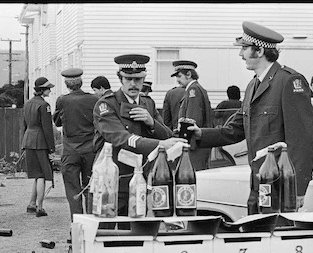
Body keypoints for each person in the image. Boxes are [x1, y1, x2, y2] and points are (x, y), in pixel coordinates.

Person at [187, 21, 313, 253]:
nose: (241, 54)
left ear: (259, 50)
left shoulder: (290, 83)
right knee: (263, 251)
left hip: (282, 187)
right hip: (258, 184)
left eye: (244, 49)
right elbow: (234, 132)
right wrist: (198, 134)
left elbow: (304, 141)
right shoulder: (253, 86)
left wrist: (297, 190)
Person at [93, 53, 181, 215]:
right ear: (120, 79)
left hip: (141, 178)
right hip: (113, 181)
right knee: (110, 232)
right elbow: (121, 138)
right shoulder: (106, 105)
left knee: (139, 229)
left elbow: (167, 136)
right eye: (128, 79)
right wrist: (159, 145)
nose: (133, 84)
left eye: (138, 79)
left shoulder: (148, 103)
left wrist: (151, 123)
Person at [53, 68, 99, 219]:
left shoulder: (62, 100)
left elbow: (58, 121)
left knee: (73, 190)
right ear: (81, 82)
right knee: (90, 187)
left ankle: (77, 224)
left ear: (66, 83)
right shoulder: (93, 99)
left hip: (70, 150)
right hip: (90, 148)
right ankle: (91, 223)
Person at [21, 76, 56, 217]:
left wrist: (22, 143)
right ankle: (40, 207)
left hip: (28, 139)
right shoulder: (44, 105)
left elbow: (23, 125)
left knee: (36, 174)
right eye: (48, 89)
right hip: (40, 141)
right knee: (42, 175)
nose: (50, 91)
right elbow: (47, 129)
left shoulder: (28, 103)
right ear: (43, 90)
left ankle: (31, 204)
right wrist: (52, 149)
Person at [172, 60, 212, 170]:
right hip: (198, 145)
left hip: (194, 146)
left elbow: (192, 120)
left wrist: (185, 143)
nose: (177, 80)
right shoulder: (196, 88)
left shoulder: (193, 90)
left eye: (179, 76)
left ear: (189, 74)